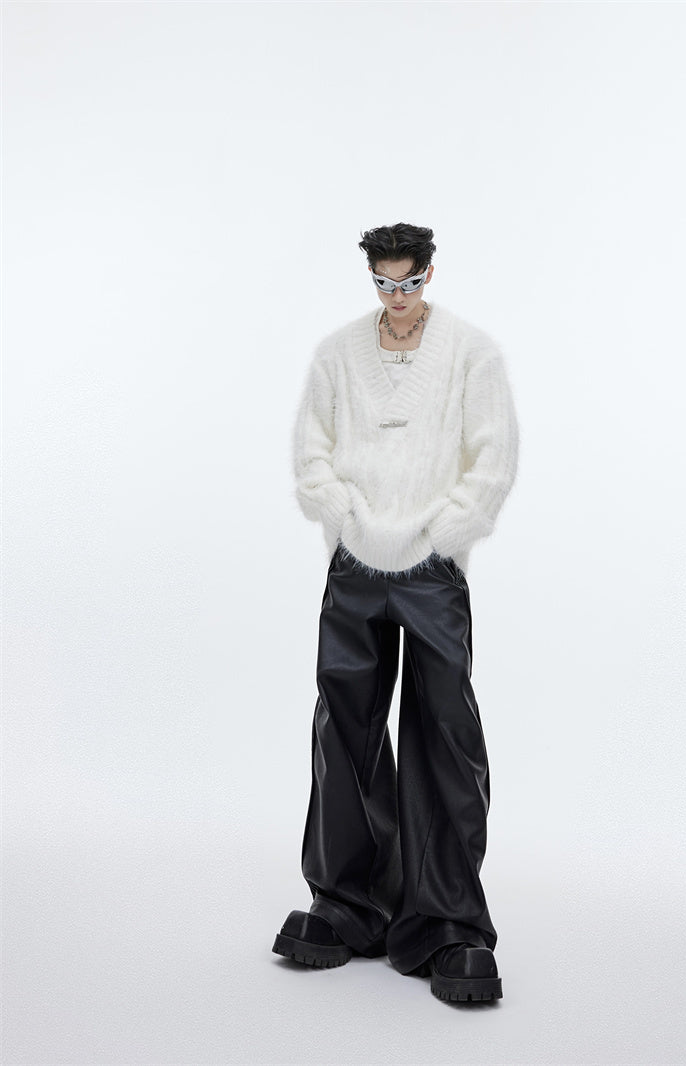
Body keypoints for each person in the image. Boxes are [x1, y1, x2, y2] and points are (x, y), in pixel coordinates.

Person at [272, 222, 519, 1003]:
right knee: (343, 723)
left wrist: (450, 533)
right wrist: (338, 513)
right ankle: (348, 902)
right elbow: (311, 446)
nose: (398, 296)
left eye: (409, 282)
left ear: (429, 275)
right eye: (385, 282)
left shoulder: (471, 353)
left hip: (432, 565)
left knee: (444, 729)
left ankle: (447, 921)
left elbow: (494, 454)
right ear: (373, 278)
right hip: (355, 559)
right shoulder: (337, 353)